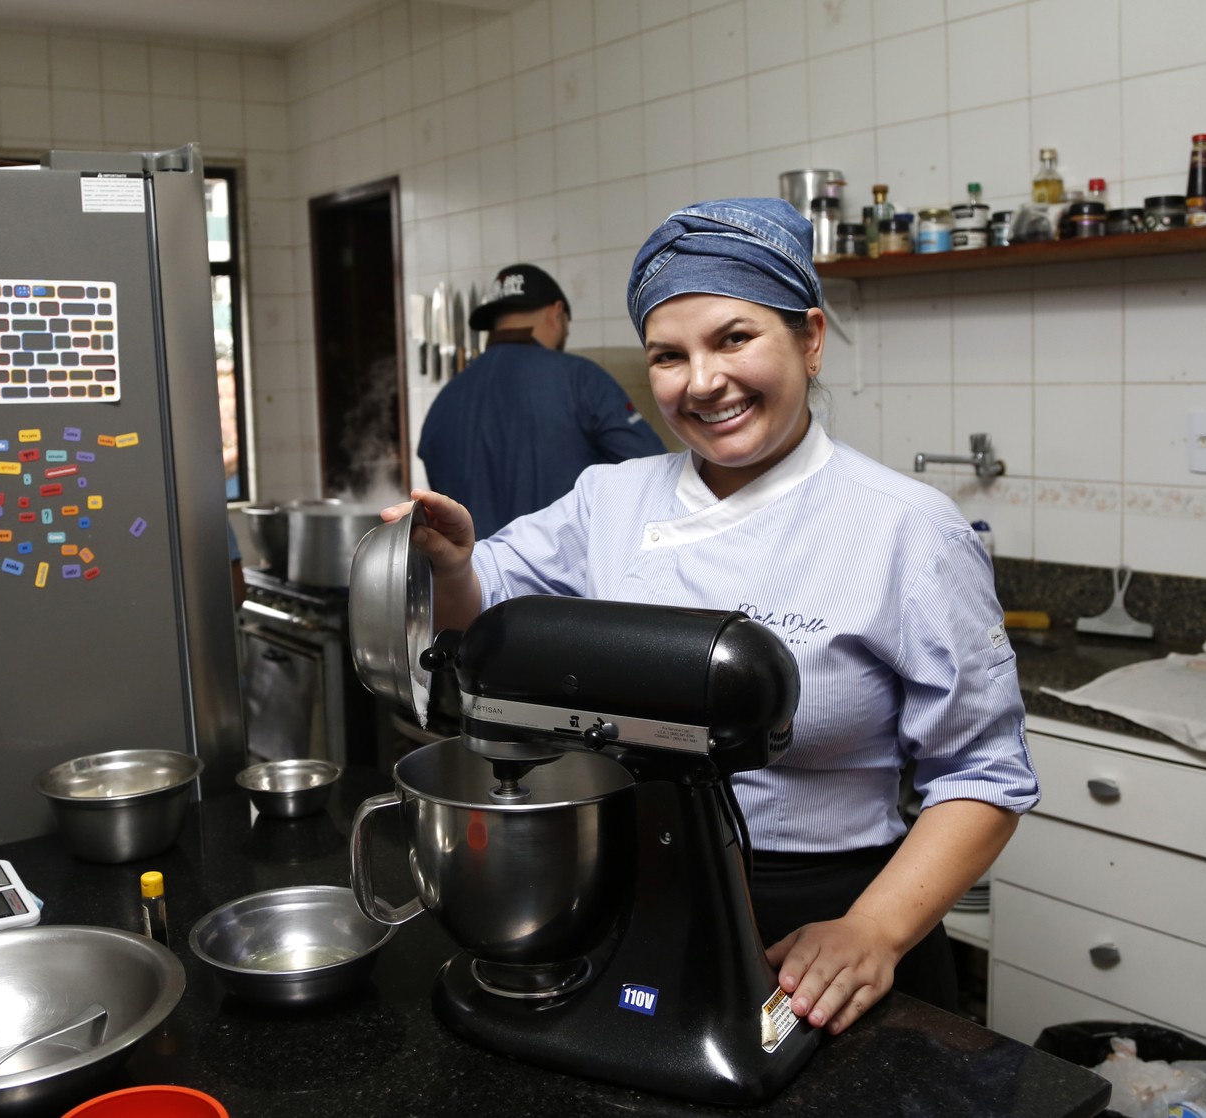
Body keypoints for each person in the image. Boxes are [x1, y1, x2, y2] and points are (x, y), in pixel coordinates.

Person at [386, 198, 1039, 1039]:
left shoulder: (907, 527)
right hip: (627, 893)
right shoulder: (611, 497)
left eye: (734, 339)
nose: (701, 382)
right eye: (669, 355)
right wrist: (452, 565)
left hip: (828, 922)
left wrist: (875, 932)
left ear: (809, 338)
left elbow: (983, 774)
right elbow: (490, 610)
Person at [417, 262, 665, 538]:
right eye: (566, 329)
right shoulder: (580, 379)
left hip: (473, 578)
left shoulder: (441, 405)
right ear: (556, 313)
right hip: (564, 578)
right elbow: (655, 471)